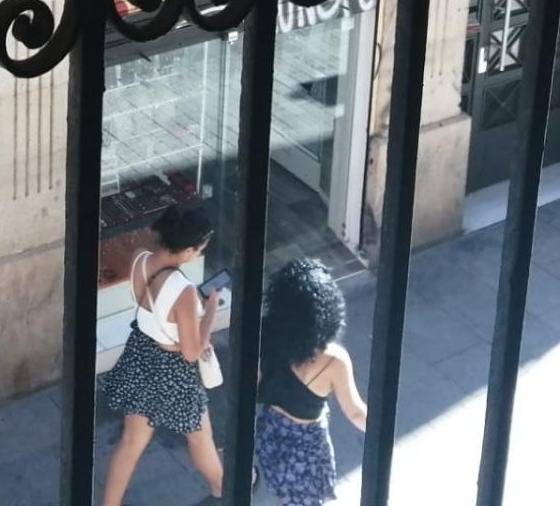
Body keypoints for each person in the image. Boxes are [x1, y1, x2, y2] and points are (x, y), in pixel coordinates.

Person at [101, 203, 223, 504]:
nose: (199, 254)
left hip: (142, 354)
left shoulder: (140, 258)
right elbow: (192, 352)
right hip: (174, 371)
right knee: (199, 437)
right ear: (188, 249)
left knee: (130, 442)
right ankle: (222, 490)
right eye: (200, 249)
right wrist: (209, 311)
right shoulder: (184, 291)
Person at [253, 258, 366, 505]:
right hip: (307, 448)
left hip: (272, 432)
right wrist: (383, 426)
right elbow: (356, 413)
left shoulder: (267, 337)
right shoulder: (333, 360)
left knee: (285, 495)